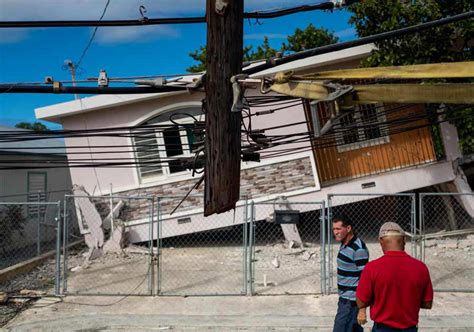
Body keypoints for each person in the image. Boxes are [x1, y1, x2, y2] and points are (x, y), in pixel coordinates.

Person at [356, 222, 434, 332]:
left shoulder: (372, 268)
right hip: (410, 328)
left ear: (381, 242)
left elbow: (361, 301)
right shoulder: (421, 267)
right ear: (404, 241)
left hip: (382, 328)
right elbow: (427, 303)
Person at [332, 215, 369, 332]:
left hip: (351, 301)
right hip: (344, 298)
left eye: (338, 229)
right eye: (334, 229)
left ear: (348, 228)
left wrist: (362, 308)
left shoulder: (359, 249)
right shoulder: (344, 243)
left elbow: (365, 279)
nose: (335, 232)